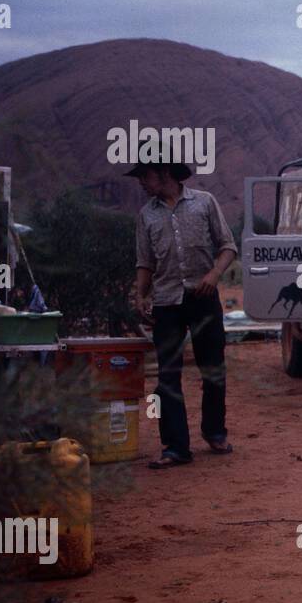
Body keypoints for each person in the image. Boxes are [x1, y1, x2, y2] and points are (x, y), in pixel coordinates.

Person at [129, 160, 238, 469]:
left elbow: (228, 246)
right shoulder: (146, 215)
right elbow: (144, 261)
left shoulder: (205, 202)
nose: (141, 182)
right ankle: (176, 447)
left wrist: (214, 275)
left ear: (164, 174)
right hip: (166, 302)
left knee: (213, 369)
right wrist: (140, 293)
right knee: (167, 376)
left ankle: (214, 432)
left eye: (144, 175)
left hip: (203, 298)